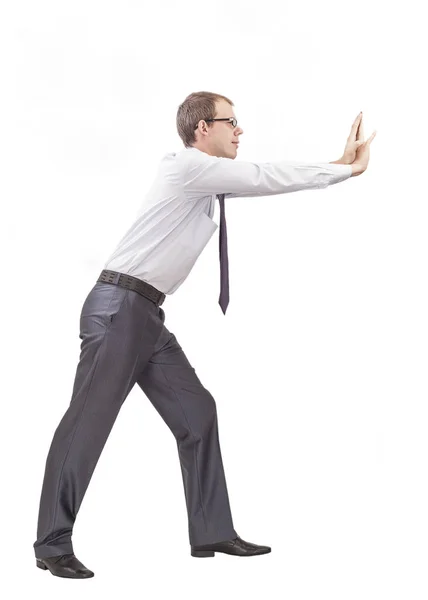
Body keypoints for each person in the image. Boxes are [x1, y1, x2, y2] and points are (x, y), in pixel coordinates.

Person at [33, 91, 376, 578]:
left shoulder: (204, 179)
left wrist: (338, 164)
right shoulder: (188, 167)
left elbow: (263, 182)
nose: (240, 130)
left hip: (145, 315)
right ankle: (51, 542)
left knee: (197, 411)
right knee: (88, 422)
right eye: (231, 121)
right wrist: (345, 169)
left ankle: (212, 529)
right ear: (202, 129)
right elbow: (263, 175)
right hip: (118, 309)